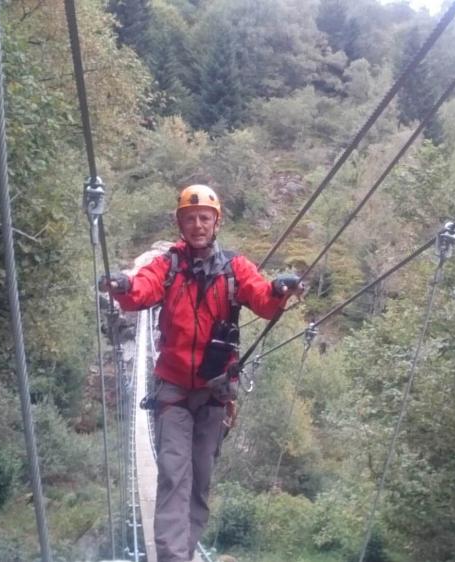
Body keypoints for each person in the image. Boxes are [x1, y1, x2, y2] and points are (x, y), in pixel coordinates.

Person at [99, 184, 303, 561]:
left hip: (213, 394)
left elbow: (261, 298)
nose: (197, 225)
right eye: (189, 219)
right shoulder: (168, 266)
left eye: (204, 219)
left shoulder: (235, 268)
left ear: (216, 222)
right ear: (180, 223)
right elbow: (141, 291)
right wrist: (123, 286)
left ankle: (184, 551)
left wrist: (278, 291)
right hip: (173, 391)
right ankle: (173, 557)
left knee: (200, 482)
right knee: (175, 474)